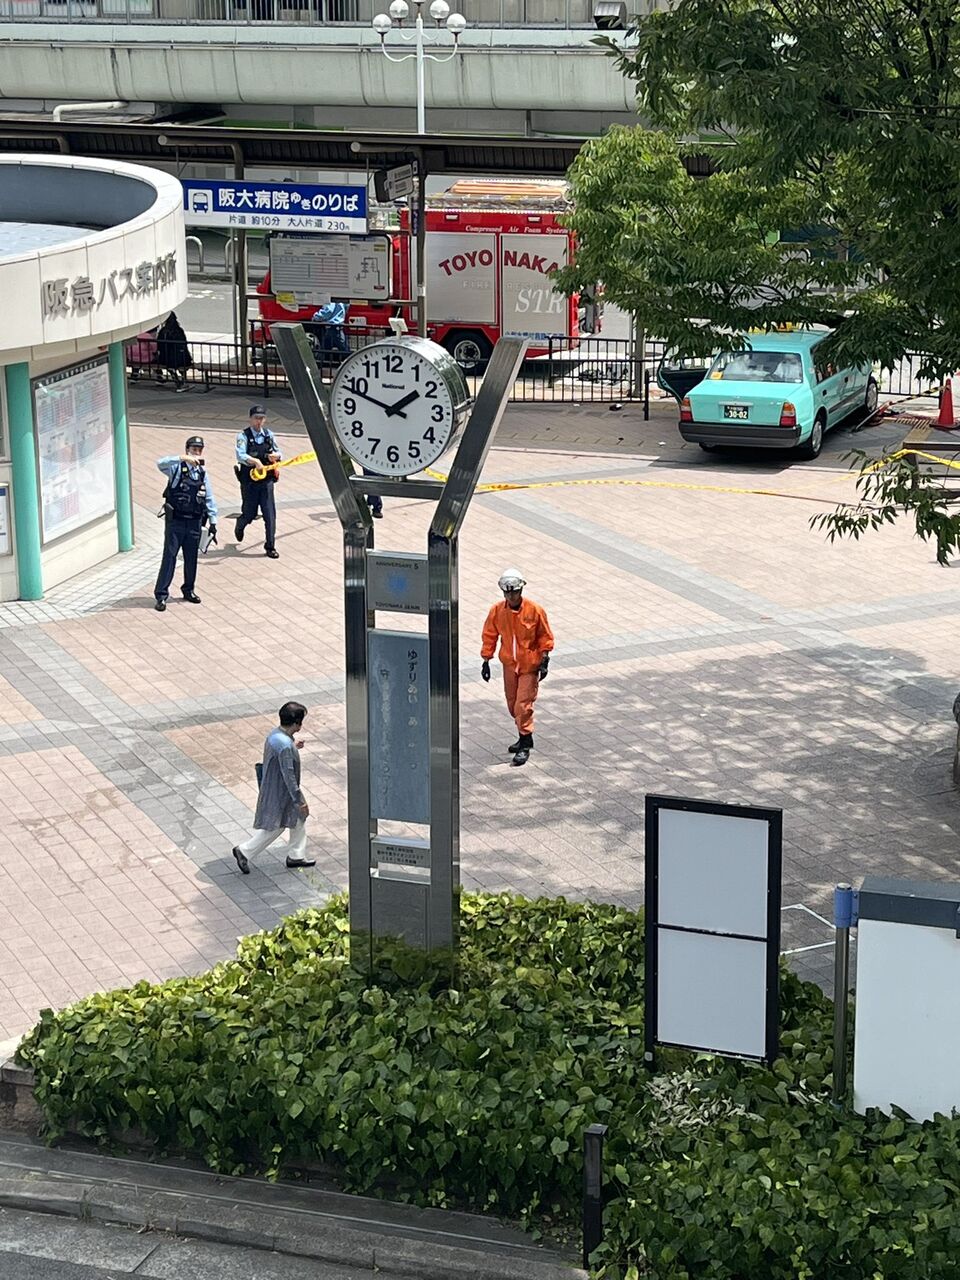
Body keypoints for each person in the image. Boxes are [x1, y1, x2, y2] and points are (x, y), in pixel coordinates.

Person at [480, 569, 554, 767]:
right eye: (508, 592)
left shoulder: (534, 610)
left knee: (523, 705)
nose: (511, 596)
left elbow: (545, 636)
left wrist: (544, 659)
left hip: (529, 666)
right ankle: (523, 735)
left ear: (521, 590)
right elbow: (490, 634)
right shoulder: (497, 611)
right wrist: (486, 659)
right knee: (513, 705)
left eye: (514, 592)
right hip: (509, 665)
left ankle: (525, 743)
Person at [232, 701, 316, 873]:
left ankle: (296, 855)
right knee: (277, 826)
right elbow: (289, 776)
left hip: (275, 788)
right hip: (282, 792)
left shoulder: (276, 735)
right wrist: (300, 801)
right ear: (297, 723)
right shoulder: (285, 746)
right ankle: (244, 851)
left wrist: (294, 747)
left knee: (298, 819)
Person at [153, 436, 217, 612]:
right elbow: (160, 464)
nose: (197, 453)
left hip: (194, 522)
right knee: (170, 557)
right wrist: (182, 458)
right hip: (176, 522)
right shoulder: (176, 468)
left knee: (191, 558)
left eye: (199, 450)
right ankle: (161, 595)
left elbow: (209, 497)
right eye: (194, 449)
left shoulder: (202, 473)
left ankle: (188, 589)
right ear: (187, 449)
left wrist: (213, 521)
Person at [234, 404, 281, 559]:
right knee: (250, 513)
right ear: (250, 419)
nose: (259, 421)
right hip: (250, 481)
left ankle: (270, 546)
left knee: (270, 514)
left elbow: (278, 452)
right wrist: (254, 461)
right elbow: (240, 455)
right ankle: (240, 524)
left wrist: (275, 456)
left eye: (261, 418)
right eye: (256, 418)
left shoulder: (269, 435)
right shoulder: (243, 436)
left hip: (266, 481)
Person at [155, 312, 192, 392]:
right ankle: (183, 381)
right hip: (180, 358)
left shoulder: (163, 332)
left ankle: (177, 380)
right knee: (183, 364)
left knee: (170, 366)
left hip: (166, 358)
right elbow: (184, 344)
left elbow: (159, 345)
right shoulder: (179, 331)